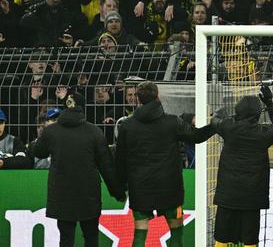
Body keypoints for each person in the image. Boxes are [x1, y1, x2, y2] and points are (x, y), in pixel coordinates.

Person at [114, 81, 215, 247]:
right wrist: (214, 126)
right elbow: (196, 137)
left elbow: (120, 159)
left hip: (140, 188)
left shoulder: (127, 126)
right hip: (170, 188)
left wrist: (121, 186)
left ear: (139, 99)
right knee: (176, 235)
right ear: (158, 96)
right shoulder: (172, 122)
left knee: (139, 234)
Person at [28, 93, 121, 247]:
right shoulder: (94, 132)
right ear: (83, 108)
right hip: (88, 194)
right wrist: (117, 191)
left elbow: (39, 152)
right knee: (91, 236)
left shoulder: (52, 131)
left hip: (61, 193)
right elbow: (106, 165)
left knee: (66, 238)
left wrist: (39, 140)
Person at [210, 84, 273, 247]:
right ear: (258, 114)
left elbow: (215, 121)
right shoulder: (264, 133)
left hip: (228, 195)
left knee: (222, 237)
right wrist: (270, 104)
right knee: (250, 239)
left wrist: (220, 112)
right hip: (252, 197)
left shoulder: (229, 127)